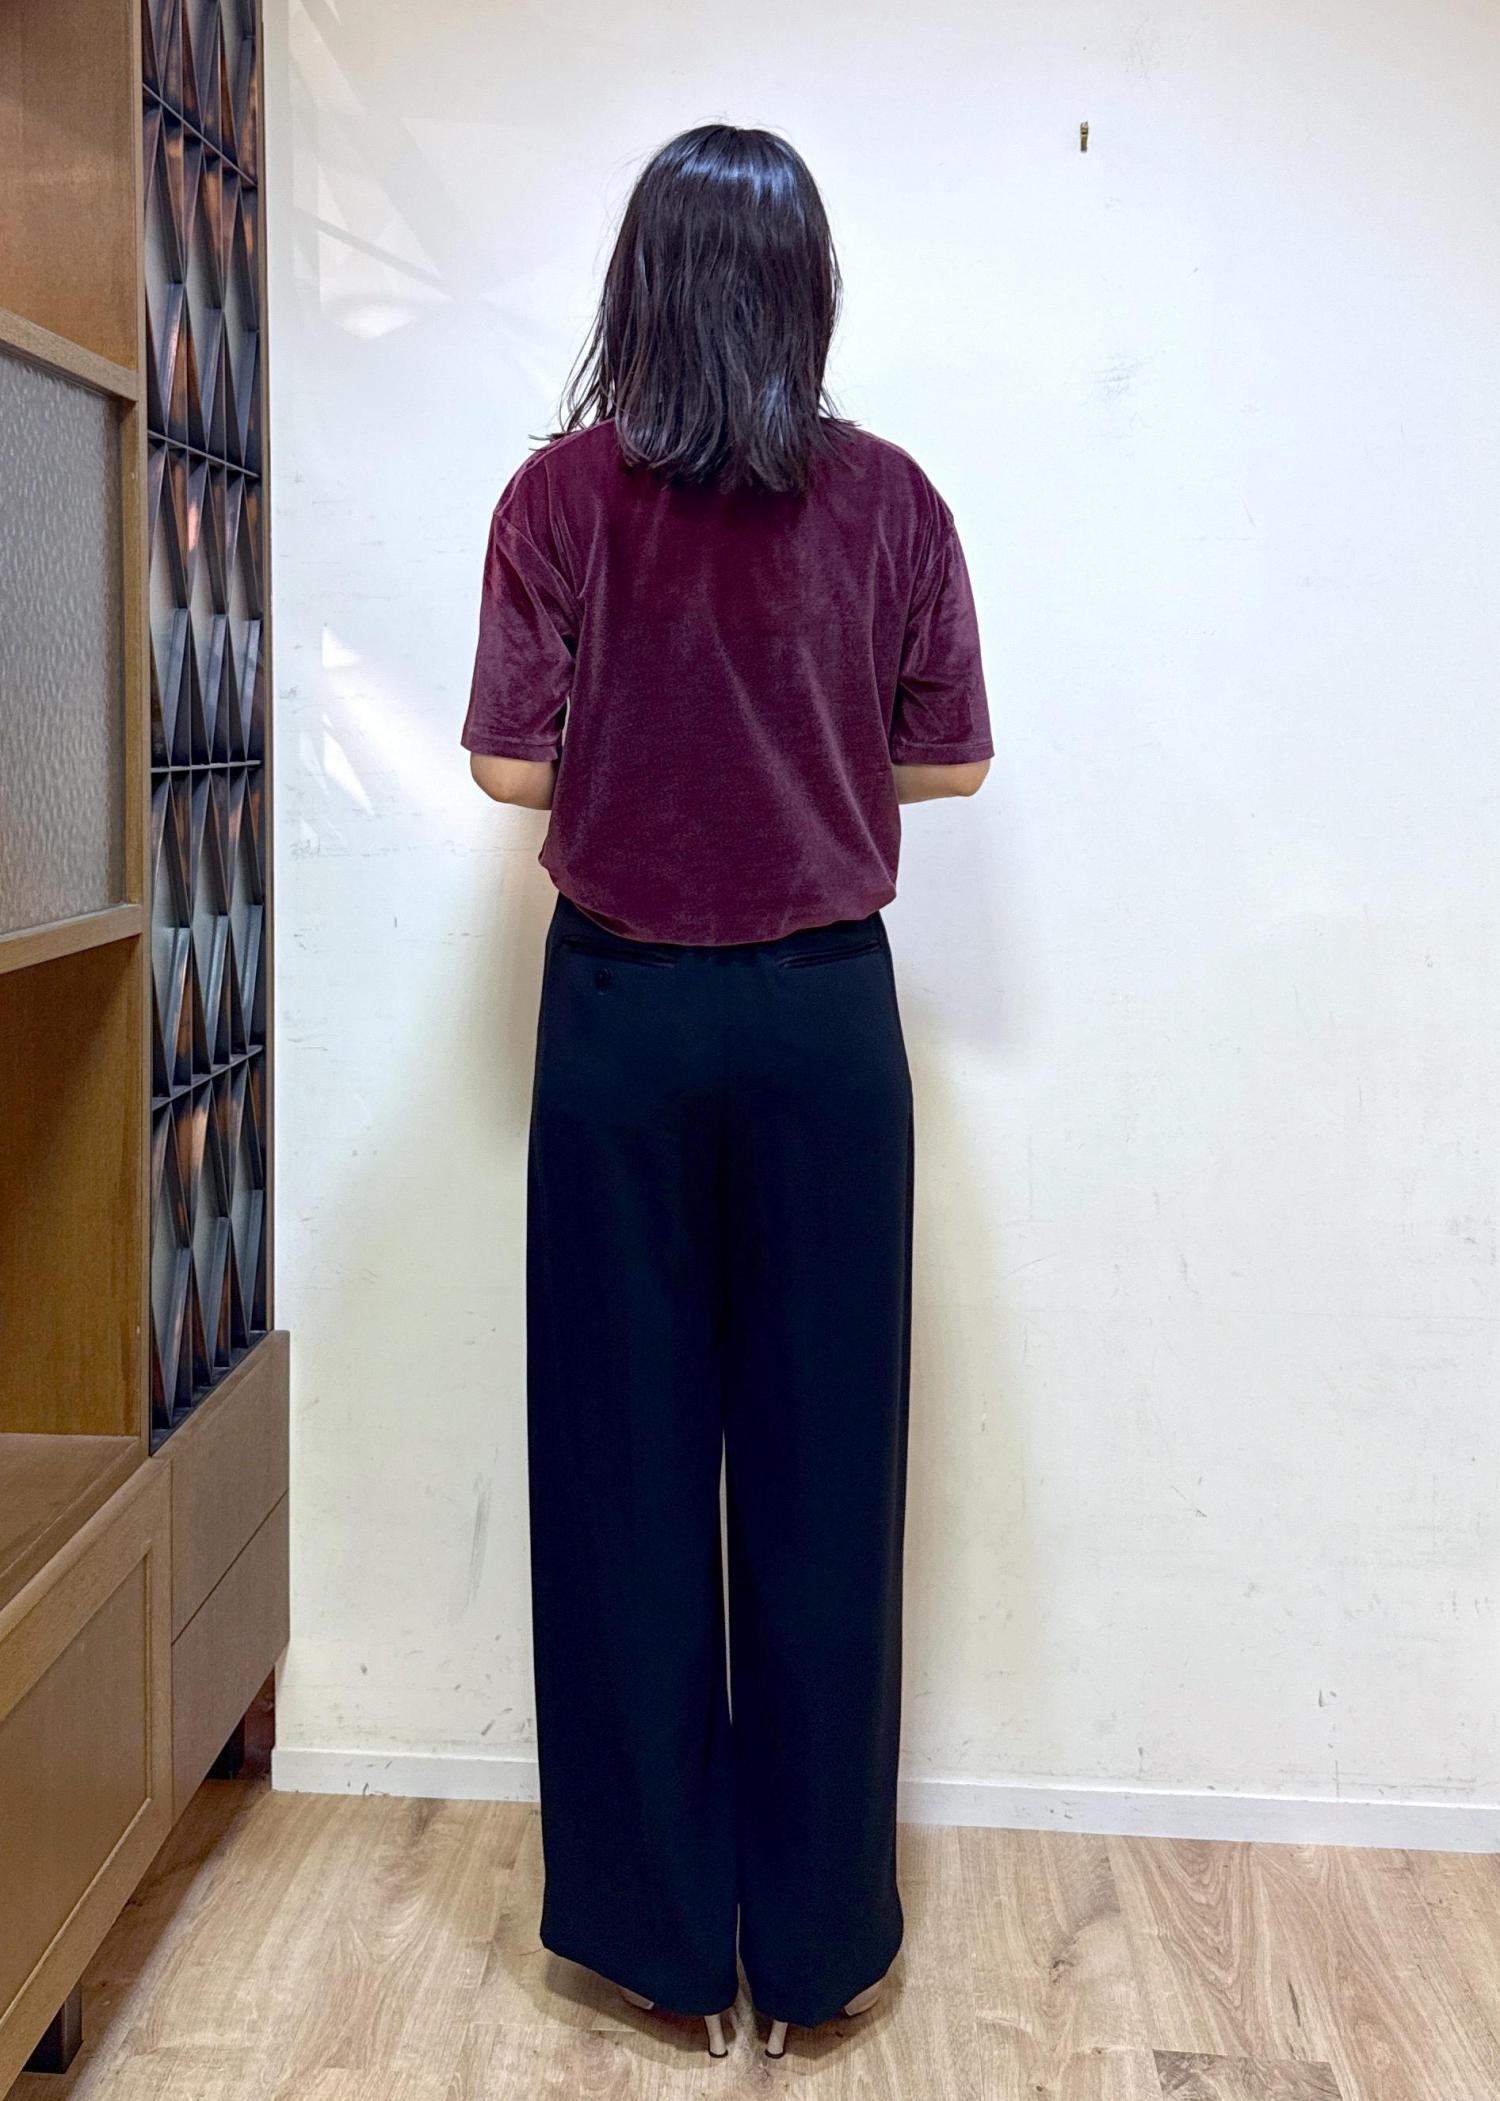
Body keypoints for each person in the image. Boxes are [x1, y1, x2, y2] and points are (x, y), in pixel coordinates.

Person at [461, 122, 991, 2060]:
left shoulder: (557, 498)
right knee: (827, 1470)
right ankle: (822, 1942)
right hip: (826, 1022)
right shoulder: (893, 499)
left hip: (621, 1014)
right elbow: (953, 760)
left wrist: (649, 727)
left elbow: (509, 766)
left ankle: (657, 1943)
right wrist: (809, 737)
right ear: (804, 291)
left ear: (642, 288)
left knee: (621, 1465)